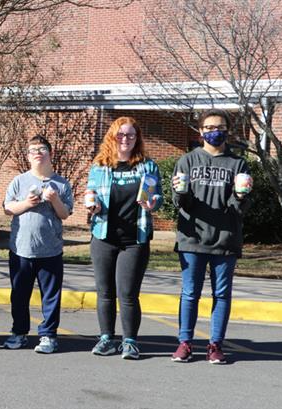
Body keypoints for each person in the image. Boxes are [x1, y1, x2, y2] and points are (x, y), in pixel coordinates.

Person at [171, 109, 252, 364]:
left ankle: (215, 345)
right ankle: (185, 343)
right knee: (190, 293)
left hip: (225, 239)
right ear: (200, 131)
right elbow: (179, 202)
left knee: (221, 295)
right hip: (192, 238)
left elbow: (243, 205)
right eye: (208, 127)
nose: (214, 131)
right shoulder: (187, 161)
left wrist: (240, 196)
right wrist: (180, 193)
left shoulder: (238, 163)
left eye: (219, 127)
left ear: (227, 130)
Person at [86, 116, 163, 360]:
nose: (125, 139)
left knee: (128, 293)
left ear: (137, 138)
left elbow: (156, 197)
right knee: (105, 291)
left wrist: (152, 203)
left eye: (130, 135)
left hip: (135, 238)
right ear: (112, 137)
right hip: (104, 236)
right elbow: (91, 194)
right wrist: (92, 205)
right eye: (121, 135)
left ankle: (130, 341)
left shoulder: (147, 166)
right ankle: (106, 338)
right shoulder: (100, 166)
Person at [2, 136, 73, 354]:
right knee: (19, 295)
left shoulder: (61, 183)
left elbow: (65, 214)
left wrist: (54, 200)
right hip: (21, 249)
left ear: (49, 154)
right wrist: (26, 203)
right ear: (28, 156)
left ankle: (48, 335)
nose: (38, 152)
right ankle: (19, 332)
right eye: (33, 150)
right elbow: (7, 208)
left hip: (50, 250)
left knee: (50, 295)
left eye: (42, 149)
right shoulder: (19, 181)